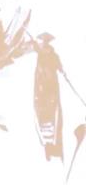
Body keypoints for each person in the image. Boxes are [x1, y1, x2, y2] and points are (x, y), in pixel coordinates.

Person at [33, 32, 64, 161]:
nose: (45, 44)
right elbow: (42, 71)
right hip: (45, 87)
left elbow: (58, 66)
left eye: (46, 42)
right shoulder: (43, 55)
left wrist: (62, 70)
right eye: (44, 41)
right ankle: (49, 145)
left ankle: (50, 145)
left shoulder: (48, 54)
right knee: (48, 113)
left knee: (49, 113)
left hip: (48, 86)